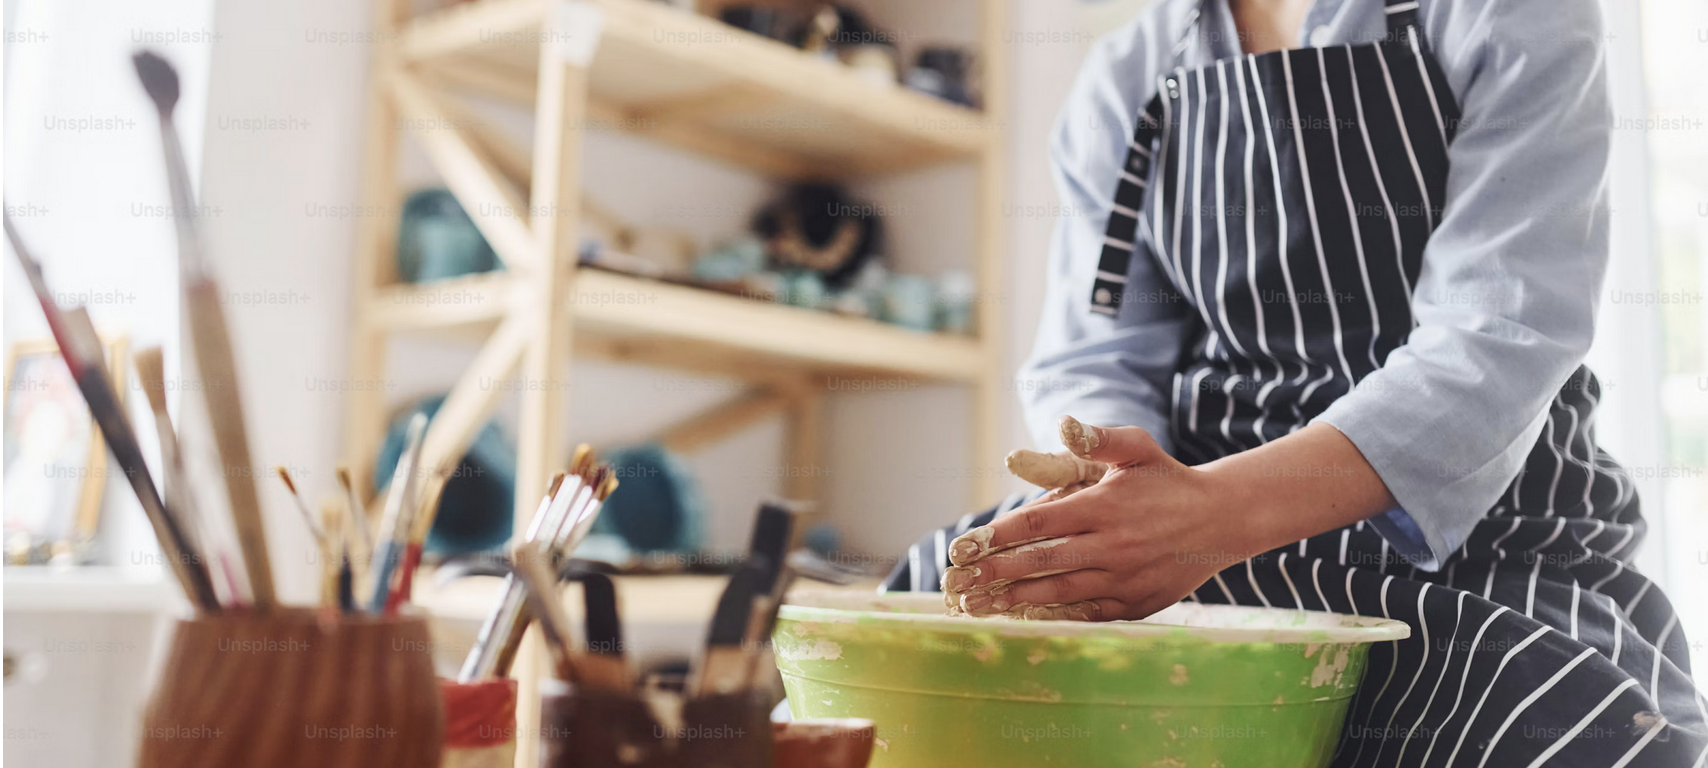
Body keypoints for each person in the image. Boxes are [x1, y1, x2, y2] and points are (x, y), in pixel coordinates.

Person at [885, 0, 1707, 764]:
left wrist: (1215, 518)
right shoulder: (1129, 68)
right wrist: (1116, 498)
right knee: (929, 601)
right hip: (1191, 521)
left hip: (1478, 540)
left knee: (1564, 722)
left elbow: (1499, 334)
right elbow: (1100, 354)